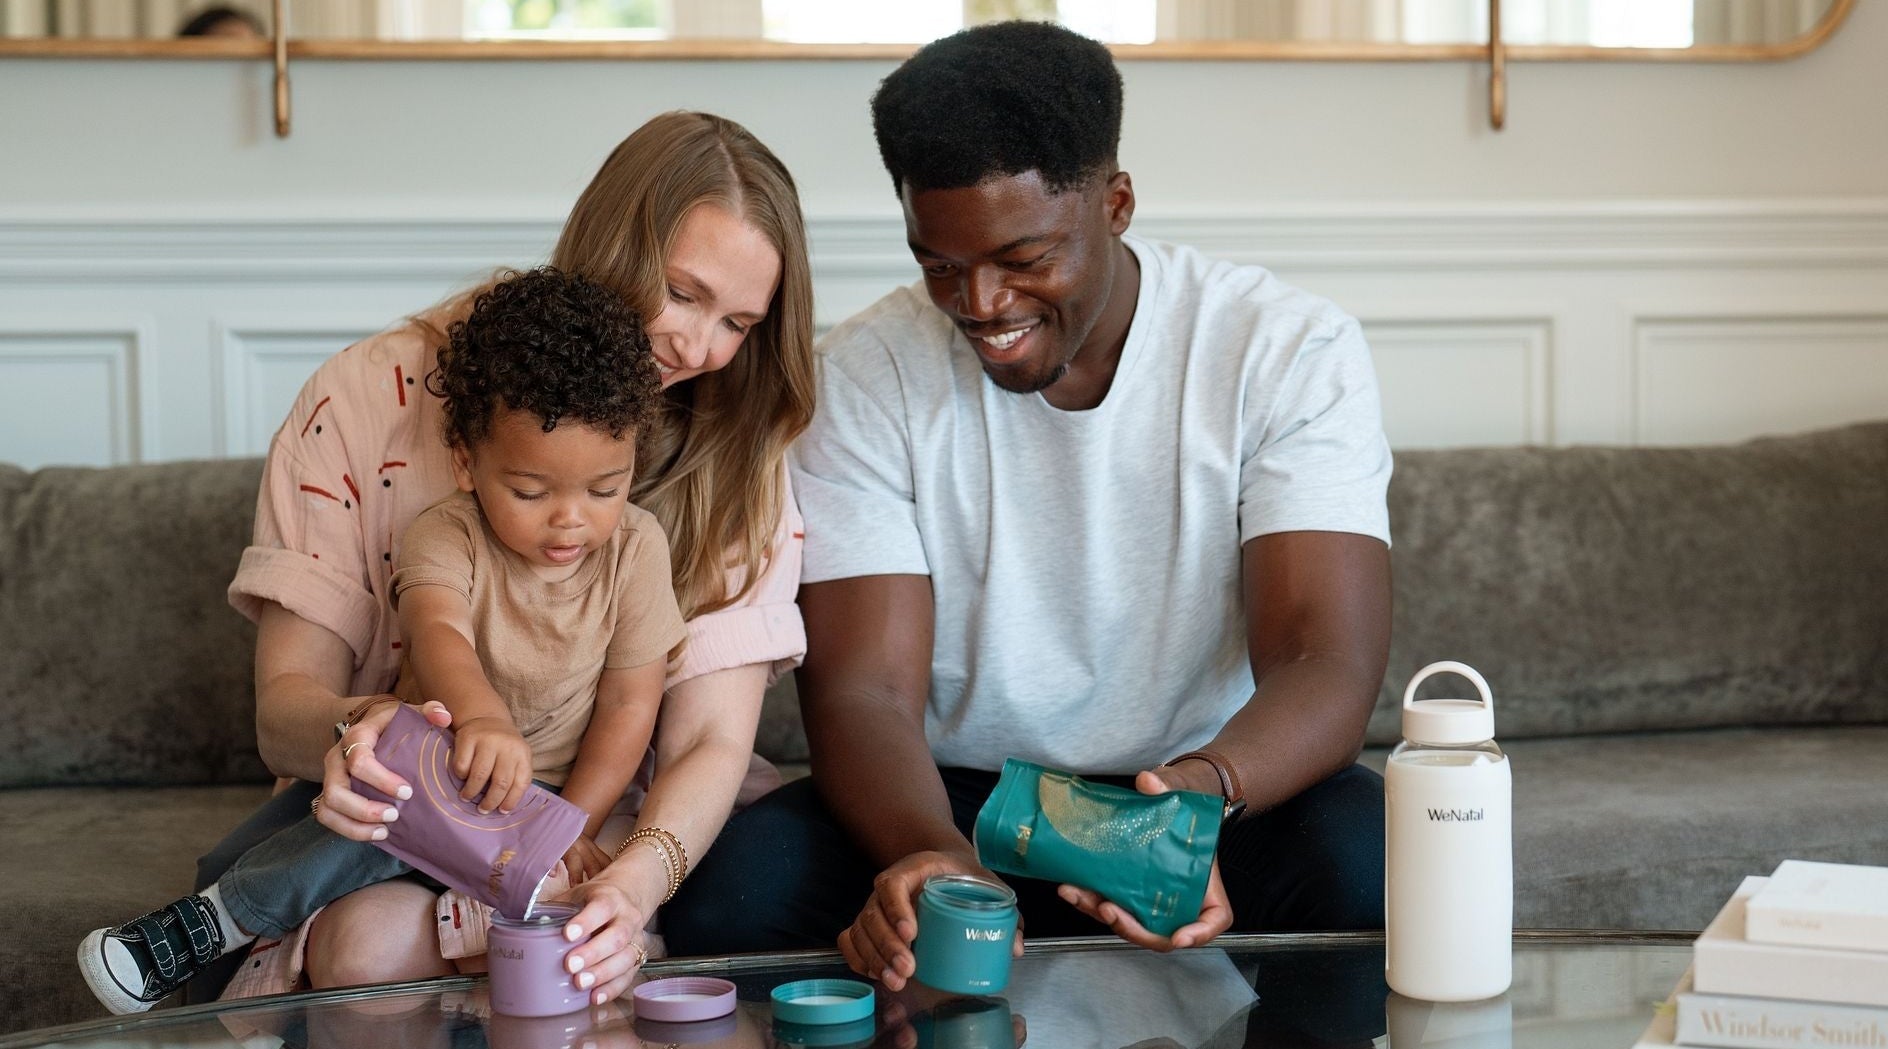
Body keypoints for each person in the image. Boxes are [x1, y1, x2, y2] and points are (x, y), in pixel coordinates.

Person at [664, 20, 1394, 988]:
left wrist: (1188, 802)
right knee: (734, 895)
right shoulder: (867, 371)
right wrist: (929, 854)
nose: (979, 302)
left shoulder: (1283, 349)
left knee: (1373, 871)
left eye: (1023, 256)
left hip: (1202, 789)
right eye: (939, 264)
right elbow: (861, 691)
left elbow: (1323, 659)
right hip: (961, 798)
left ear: (1116, 202)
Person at [186, 111, 814, 1009]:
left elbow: (710, 739)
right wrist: (364, 732)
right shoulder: (368, 397)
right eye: (680, 292)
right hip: (403, 817)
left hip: (615, 830)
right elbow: (284, 709)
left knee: (621, 927)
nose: (698, 348)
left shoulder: (738, 447)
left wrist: (631, 876)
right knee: (373, 942)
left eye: (739, 323)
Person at [78, 268, 685, 1014]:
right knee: (345, 818)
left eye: (604, 488)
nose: (570, 521)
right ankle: (222, 935)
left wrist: (570, 825)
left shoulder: (637, 549)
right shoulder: (443, 532)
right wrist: (482, 720)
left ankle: (245, 936)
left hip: (557, 797)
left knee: (539, 877)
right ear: (467, 460)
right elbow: (438, 636)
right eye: (531, 491)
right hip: (441, 770)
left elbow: (631, 703)